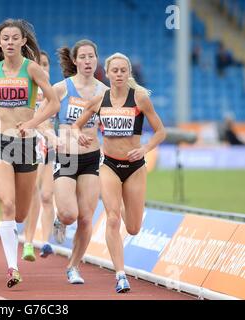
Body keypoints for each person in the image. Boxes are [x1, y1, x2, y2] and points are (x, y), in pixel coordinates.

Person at [0, 19, 59, 288]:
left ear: (22, 41)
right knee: (6, 205)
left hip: (28, 144)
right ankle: (12, 267)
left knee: (20, 214)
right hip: (0, 142)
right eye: (4, 38)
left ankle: (19, 238)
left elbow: (53, 102)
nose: (9, 42)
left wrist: (31, 123)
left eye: (14, 38)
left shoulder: (32, 69)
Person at [73, 52, 166, 293]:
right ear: (108, 72)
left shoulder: (140, 98)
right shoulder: (99, 99)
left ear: (129, 73)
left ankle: (123, 206)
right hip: (109, 165)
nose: (119, 74)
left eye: (123, 70)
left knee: (133, 228)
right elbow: (75, 124)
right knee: (112, 218)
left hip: (135, 168)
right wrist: (79, 135)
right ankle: (121, 275)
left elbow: (160, 132)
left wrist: (144, 148)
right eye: (115, 70)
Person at [48, 40, 107, 284]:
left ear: (96, 59)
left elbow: (111, 125)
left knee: (85, 217)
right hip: (66, 157)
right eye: (82, 57)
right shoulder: (61, 88)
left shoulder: (105, 92)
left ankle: (73, 266)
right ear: (74, 61)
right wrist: (52, 137)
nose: (87, 61)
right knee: (70, 214)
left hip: (92, 158)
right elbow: (42, 119)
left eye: (91, 56)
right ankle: (60, 219)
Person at [22, 51, 56, 261]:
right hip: (30, 143)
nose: (42, 68)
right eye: (38, 64)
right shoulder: (27, 86)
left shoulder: (55, 90)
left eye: (45, 64)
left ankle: (47, 242)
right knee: (34, 191)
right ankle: (31, 240)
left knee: (46, 195)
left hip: (52, 143)